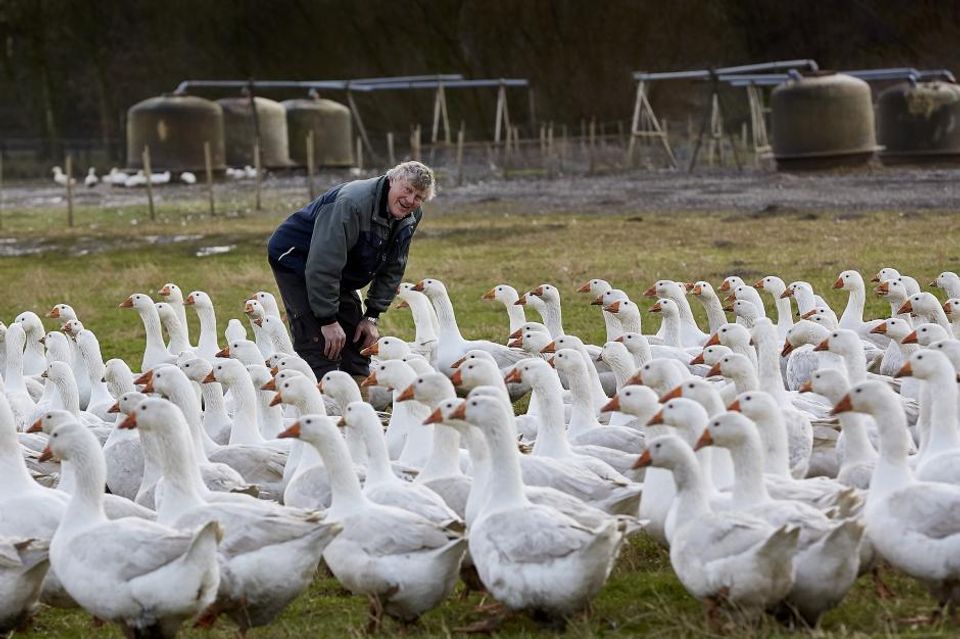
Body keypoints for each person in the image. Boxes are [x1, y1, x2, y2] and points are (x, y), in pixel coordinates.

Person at [267, 161, 434, 378]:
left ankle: (357, 398)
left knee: (357, 341)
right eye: (408, 190)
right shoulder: (352, 204)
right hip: (296, 258)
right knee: (320, 342)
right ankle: (318, 400)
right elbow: (323, 264)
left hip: (340, 264)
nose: (411, 200)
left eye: (419, 197)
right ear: (392, 180)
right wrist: (327, 320)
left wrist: (372, 316)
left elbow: (394, 264)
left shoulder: (411, 214)